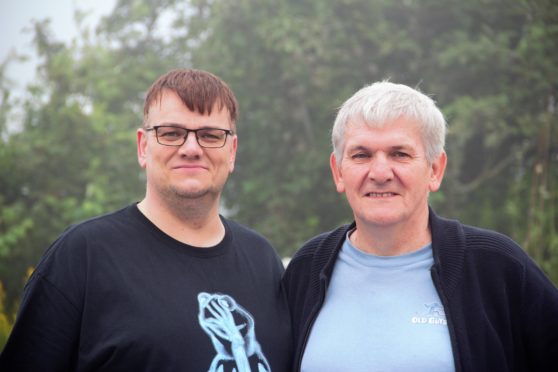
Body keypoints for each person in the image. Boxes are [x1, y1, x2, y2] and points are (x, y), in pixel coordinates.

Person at [0, 68, 292, 371]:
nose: (191, 149)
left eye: (210, 135)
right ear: (143, 146)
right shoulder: (83, 257)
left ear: (231, 151)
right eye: (171, 134)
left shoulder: (262, 260)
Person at [282, 81, 558, 372]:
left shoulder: (495, 266)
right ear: (338, 171)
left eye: (399, 154)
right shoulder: (307, 268)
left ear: (435, 170)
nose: (379, 172)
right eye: (361, 155)